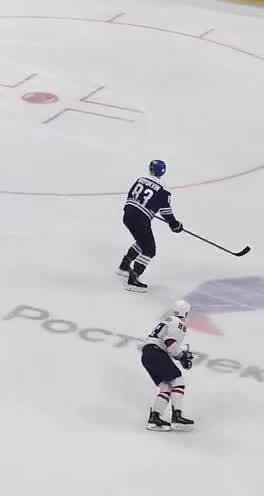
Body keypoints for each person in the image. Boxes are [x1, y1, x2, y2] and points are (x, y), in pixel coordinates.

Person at [117, 159, 182, 292]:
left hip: (127, 215)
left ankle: (124, 266)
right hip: (140, 220)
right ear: (163, 172)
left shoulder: (141, 180)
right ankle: (133, 280)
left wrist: (138, 209)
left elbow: (131, 196)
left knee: (142, 241)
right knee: (149, 250)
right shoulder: (164, 190)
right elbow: (166, 211)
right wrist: (174, 224)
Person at [141, 300, 195, 431]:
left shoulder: (168, 320)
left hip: (147, 355)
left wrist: (180, 355)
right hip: (157, 353)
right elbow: (170, 343)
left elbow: (167, 345)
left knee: (166, 386)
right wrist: (182, 356)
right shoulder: (178, 324)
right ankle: (177, 416)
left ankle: (154, 418)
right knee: (178, 381)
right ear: (185, 313)